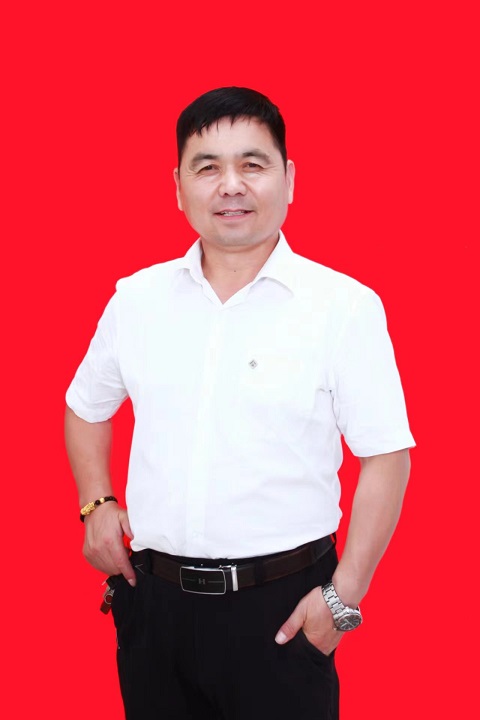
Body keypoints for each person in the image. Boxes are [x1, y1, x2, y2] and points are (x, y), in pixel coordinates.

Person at [65, 86, 415, 720]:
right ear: (178, 187)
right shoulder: (136, 300)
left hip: (282, 612)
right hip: (153, 605)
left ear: (289, 179)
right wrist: (97, 502)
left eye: (253, 164)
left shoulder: (343, 307)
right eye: (207, 167)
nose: (231, 185)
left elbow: (387, 457)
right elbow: (86, 407)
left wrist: (343, 598)